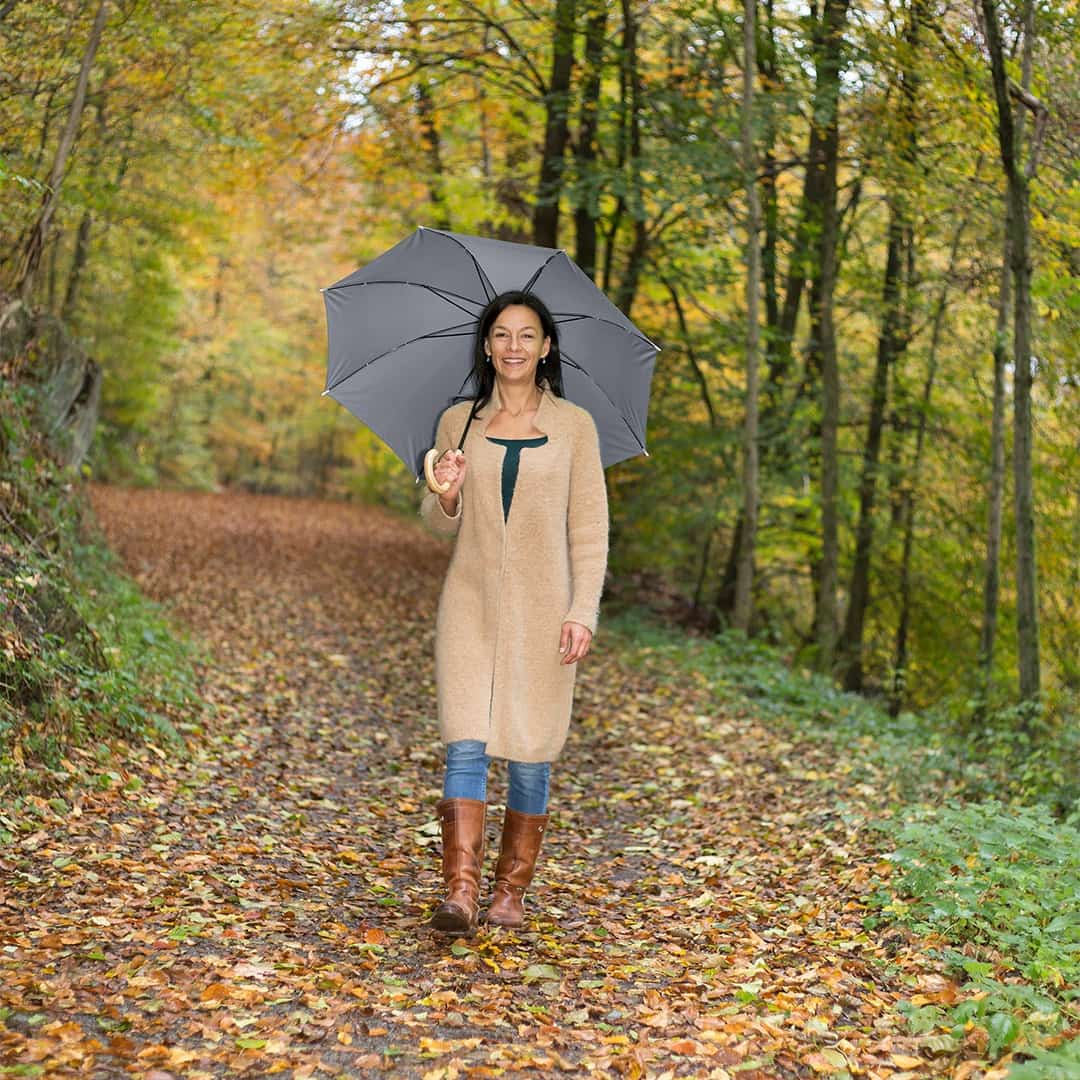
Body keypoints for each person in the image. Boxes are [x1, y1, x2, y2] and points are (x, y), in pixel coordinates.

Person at [419, 290, 609, 934]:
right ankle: (461, 894)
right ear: (486, 346)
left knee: (531, 749)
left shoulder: (576, 427)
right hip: (469, 604)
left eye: (527, 336)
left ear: (548, 347)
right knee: (465, 740)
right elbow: (438, 525)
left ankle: (510, 892)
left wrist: (582, 610)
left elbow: (590, 528)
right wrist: (444, 494)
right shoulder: (458, 423)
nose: (514, 347)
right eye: (501, 335)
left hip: (544, 611)